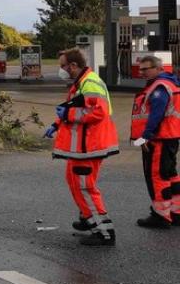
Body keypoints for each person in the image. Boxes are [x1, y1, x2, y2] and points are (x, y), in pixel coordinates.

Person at [44, 48, 120, 245]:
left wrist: (66, 116)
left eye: (63, 66)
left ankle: (103, 231)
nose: (61, 70)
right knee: (74, 181)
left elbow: (97, 112)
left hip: (90, 146)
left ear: (74, 66)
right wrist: (57, 124)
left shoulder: (89, 83)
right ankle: (88, 218)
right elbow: (75, 108)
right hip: (83, 147)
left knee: (84, 186)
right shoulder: (82, 83)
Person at [129, 55, 180, 228]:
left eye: (146, 68)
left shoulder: (159, 87)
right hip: (169, 137)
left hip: (158, 139)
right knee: (170, 174)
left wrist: (145, 136)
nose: (142, 72)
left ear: (159, 69)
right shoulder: (168, 83)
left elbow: (156, 115)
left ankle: (161, 215)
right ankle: (176, 212)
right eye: (141, 69)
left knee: (157, 177)